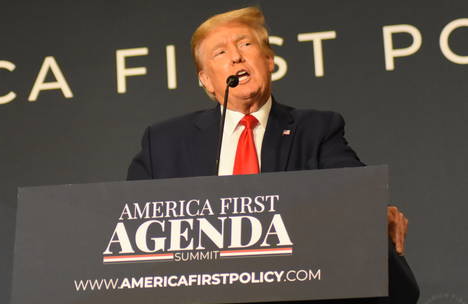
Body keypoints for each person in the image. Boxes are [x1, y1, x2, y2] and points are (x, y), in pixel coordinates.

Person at [127, 7, 419, 304]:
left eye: (245, 44)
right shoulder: (165, 142)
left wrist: (370, 209)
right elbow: (130, 224)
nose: (236, 56)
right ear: (206, 81)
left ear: (269, 61)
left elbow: (351, 188)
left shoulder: (315, 129)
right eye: (220, 52)